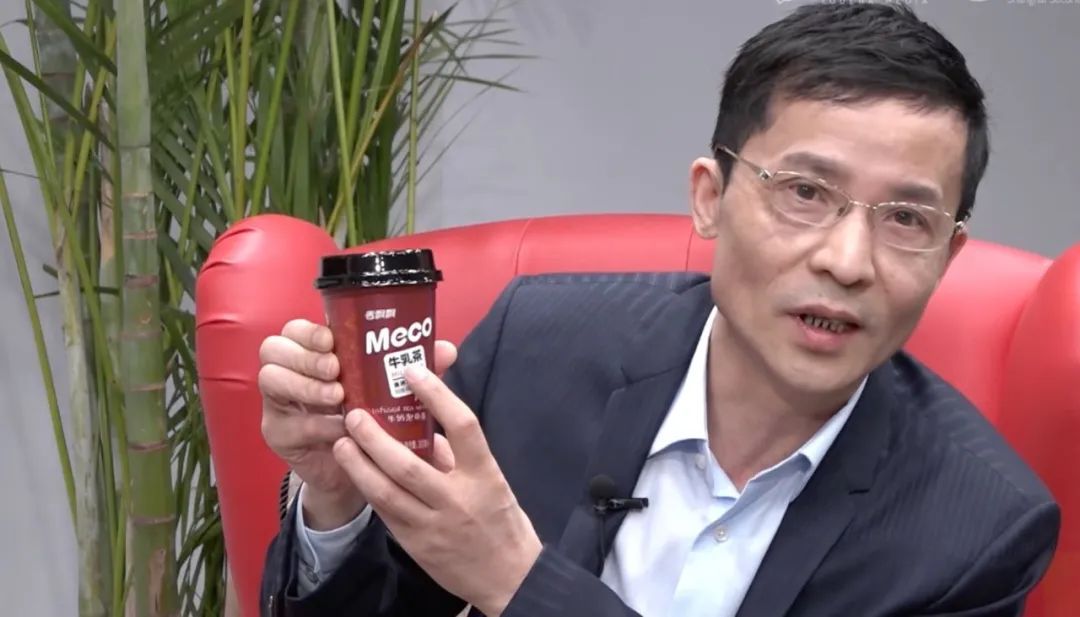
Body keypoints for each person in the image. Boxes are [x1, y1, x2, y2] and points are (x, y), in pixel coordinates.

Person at [255, 3, 1061, 616]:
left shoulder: (979, 529)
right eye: (806, 193)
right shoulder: (531, 349)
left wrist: (519, 581)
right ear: (710, 198)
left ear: (948, 253)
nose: (847, 261)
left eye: (906, 219)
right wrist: (339, 501)